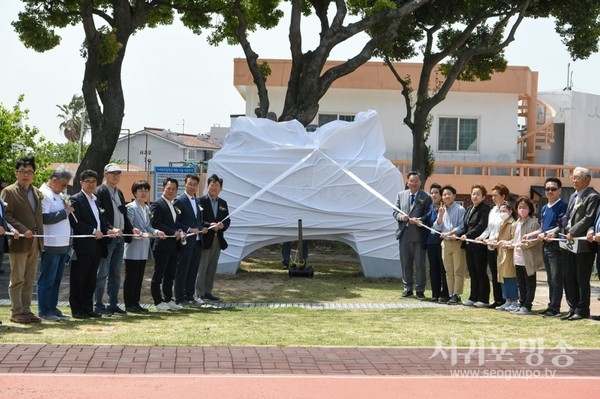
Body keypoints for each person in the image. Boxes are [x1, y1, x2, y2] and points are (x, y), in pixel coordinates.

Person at [0, 156, 44, 324]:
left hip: (35, 240)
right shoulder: (9, 191)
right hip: (18, 240)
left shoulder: (36, 192)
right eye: (22, 172)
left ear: (34, 174)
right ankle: (16, 311)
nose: (26, 175)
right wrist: (22, 229)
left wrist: (39, 235)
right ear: (16, 173)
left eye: (29, 172)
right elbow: (6, 215)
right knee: (17, 277)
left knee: (30, 278)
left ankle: (26, 310)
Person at [69, 170, 117, 319]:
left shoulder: (95, 200)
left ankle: (88, 308)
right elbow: (75, 222)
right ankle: (77, 309)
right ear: (81, 183)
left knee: (91, 279)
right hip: (82, 245)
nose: (91, 184)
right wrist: (92, 230)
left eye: (93, 181)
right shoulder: (75, 199)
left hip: (96, 246)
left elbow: (101, 221)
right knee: (78, 278)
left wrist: (109, 229)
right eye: (87, 181)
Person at [523, 177, 567, 317]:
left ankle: (555, 308)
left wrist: (548, 233)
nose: (549, 191)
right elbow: (542, 228)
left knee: (556, 279)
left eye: (553, 189)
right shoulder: (543, 208)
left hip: (556, 247)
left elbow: (561, 226)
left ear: (559, 191)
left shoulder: (562, 206)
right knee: (550, 279)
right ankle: (551, 306)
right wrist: (531, 235)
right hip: (545, 246)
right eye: (547, 189)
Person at [94, 163, 133, 316]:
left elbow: (122, 213)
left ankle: (113, 304)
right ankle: (98, 305)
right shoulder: (100, 191)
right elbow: (100, 215)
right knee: (102, 273)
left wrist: (130, 229)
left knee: (115, 273)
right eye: (112, 173)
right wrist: (109, 229)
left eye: (118, 173)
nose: (115, 176)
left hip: (120, 237)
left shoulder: (119, 192)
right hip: (107, 238)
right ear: (105, 174)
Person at [561, 167, 599, 320]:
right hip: (569, 241)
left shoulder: (592, 196)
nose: (574, 180)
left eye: (577, 177)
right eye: (573, 177)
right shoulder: (572, 196)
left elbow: (588, 218)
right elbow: (567, 217)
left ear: (587, 180)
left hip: (583, 244)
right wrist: (558, 230)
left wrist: (573, 232)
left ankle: (582, 309)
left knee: (581, 277)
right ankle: (573, 306)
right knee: (568, 275)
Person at [37, 166, 74, 321]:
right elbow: (44, 218)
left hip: (62, 244)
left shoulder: (57, 194)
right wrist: (64, 212)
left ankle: (52, 307)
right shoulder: (44, 194)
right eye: (63, 185)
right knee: (47, 279)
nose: (64, 188)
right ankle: (44, 310)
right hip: (51, 244)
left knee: (57, 280)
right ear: (54, 180)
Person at [123, 180, 165, 313]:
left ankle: (136, 302)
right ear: (134, 193)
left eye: (146, 190)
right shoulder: (131, 207)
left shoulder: (146, 208)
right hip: (133, 247)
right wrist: (141, 232)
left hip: (143, 247)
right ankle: (129, 304)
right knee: (131, 276)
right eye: (140, 190)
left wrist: (156, 232)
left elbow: (148, 226)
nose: (144, 193)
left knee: (139, 276)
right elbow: (129, 225)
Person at [393, 171, 432, 299]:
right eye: (411, 181)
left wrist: (419, 219)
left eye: (416, 181)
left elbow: (428, 214)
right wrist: (401, 217)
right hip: (404, 234)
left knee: (420, 264)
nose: (414, 183)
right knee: (405, 262)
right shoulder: (401, 195)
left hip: (418, 235)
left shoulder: (425, 197)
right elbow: (395, 212)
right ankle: (407, 288)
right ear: (407, 182)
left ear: (420, 183)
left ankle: (420, 290)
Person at [173, 174, 207, 307]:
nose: (192, 186)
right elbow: (177, 221)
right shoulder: (179, 200)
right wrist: (189, 229)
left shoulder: (197, 201)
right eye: (190, 184)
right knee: (183, 270)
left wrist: (204, 227)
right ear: (185, 184)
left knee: (193, 270)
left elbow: (198, 220)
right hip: (186, 241)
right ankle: (180, 298)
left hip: (198, 241)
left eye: (194, 184)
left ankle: (189, 296)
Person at [150, 177, 183, 311]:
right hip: (162, 245)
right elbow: (155, 223)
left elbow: (176, 223)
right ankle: (158, 302)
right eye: (168, 188)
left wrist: (180, 231)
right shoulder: (157, 204)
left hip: (174, 246)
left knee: (170, 274)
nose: (171, 191)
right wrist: (172, 231)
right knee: (159, 274)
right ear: (163, 188)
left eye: (173, 189)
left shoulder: (174, 205)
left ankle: (168, 299)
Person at [197, 174, 231, 302]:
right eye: (212, 185)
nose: (214, 187)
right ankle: (199, 293)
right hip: (205, 238)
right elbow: (198, 220)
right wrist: (209, 225)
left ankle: (208, 291)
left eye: (217, 185)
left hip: (218, 239)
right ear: (207, 187)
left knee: (212, 267)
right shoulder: (201, 201)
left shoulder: (223, 203)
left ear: (221, 188)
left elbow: (228, 220)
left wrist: (222, 225)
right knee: (202, 267)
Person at [476, 183, 510, 308]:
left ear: (503, 196)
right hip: (490, 246)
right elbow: (489, 229)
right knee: (494, 274)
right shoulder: (492, 210)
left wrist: (494, 239)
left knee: (502, 274)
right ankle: (497, 299)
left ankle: (505, 299)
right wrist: (482, 237)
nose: (494, 198)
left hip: (501, 247)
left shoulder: (506, 211)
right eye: (493, 195)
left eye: (496, 195)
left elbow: (503, 229)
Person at [432, 185, 466, 305]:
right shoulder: (442, 210)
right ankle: (450, 294)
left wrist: (451, 233)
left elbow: (462, 226)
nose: (446, 196)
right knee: (448, 270)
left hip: (456, 242)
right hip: (445, 244)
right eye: (444, 194)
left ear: (454, 196)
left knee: (458, 269)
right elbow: (436, 227)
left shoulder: (460, 209)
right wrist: (440, 216)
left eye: (449, 194)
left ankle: (457, 294)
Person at [510, 197, 542, 315]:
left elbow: (533, 241)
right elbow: (514, 240)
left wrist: (520, 245)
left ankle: (528, 305)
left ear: (530, 209)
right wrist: (508, 244)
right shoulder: (516, 223)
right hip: (517, 257)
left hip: (528, 258)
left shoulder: (533, 224)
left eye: (525, 207)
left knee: (530, 283)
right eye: (520, 207)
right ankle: (521, 303)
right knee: (520, 283)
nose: (522, 210)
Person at [460, 184, 491, 308]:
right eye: (473, 194)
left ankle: (483, 298)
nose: (475, 196)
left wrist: (467, 235)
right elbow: (465, 225)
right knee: (472, 272)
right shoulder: (468, 209)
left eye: (478, 194)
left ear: (483, 197)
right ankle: (473, 297)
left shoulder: (485, 209)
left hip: (479, 245)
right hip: (469, 246)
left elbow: (481, 226)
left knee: (480, 271)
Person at [424, 183, 449, 302]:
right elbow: (424, 220)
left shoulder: (445, 208)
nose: (433, 195)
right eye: (432, 192)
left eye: (436, 193)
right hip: (431, 242)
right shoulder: (429, 208)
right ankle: (435, 293)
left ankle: (445, 293)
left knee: (442, 268)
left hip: (442, 242)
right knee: (433, 268)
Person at [492, 201, 518, 311]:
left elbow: (515, 240)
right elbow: (498, 239)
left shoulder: (513, 224)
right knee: (502, 277)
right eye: (500, 211)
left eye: (504, 211)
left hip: (509, 254)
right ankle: (507, 300)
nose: (502, 213)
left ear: (510, 211)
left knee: (510, 278)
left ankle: (514, 301)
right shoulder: (502, 223)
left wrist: (506, 243)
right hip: (501, 254)